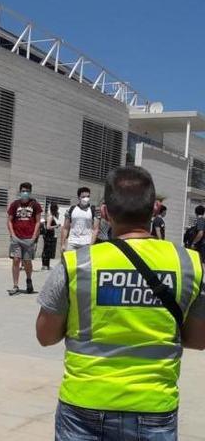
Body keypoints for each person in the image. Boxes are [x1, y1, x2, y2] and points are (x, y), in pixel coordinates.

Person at [36, 166, 205, 440]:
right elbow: (198, 339)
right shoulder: (188, 264)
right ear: (155, 209)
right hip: (153, 406)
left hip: (83, 405)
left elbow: (45, 335)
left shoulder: (77, 263)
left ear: (103, 213)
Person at [7, 182, 42, 294]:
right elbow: (9, 221)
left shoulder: (35, 205)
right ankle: (15, 285)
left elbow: (38, 222)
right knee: (16, 260)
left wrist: (34, 237)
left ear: (30, 192)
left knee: (27, 261)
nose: (25, 193)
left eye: (27, 191)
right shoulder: (15, 204)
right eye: (23, 191)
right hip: (16, 237)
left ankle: (28, 279)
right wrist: (12, 234)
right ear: (20, 191)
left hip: (29, 238)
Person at [60, 187, 100, 252]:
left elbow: (96, 229)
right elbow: (65, 228)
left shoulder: (94, 210)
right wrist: (62, 244)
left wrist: (91, 244)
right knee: (70, 262)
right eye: (83, 197)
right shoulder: (71, 209)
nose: (86, 199)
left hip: (86, 243)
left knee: (85, 262)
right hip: (72, 242)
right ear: (79, 197)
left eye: (88, 196)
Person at [40, 202, 60, 271]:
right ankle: (44, 265)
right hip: (48, 236)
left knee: (48, 250)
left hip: (50, 235)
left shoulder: (52, 216)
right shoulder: (50, 216)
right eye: (57, 209)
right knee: (46, 250)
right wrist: (56, 226)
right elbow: (48, 227)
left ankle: (47, 265)